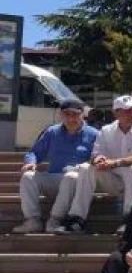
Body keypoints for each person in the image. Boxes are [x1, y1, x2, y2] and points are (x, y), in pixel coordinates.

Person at [64, 95, 132, 234]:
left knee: (130, 167)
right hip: (116, 181)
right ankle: (77, 218)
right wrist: (98, 160)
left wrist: (115, 162)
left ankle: (131, 219)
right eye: (127, 110)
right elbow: (96, 154)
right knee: (86, 168)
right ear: (116, 113)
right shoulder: (106, 130)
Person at [14, 98, 98, 233]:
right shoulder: (52, 132)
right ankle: (32, 220)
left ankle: (55, 220)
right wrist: (31, 163)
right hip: (54, 178)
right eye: (67, 114)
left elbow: (97, 158)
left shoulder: (94, 134)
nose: (71, 118)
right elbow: (34, 152)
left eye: (75, 114)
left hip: (76, 183)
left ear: (83, 115)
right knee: (28, 177)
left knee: (71, 177)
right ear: (61, 115)